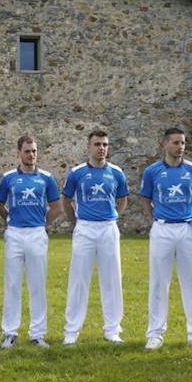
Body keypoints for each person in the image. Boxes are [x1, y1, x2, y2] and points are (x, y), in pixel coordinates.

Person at [138, 127, 192, 352]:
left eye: (183, 143)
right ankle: (155, 334)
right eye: (176, 142)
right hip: (162, 229)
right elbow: (145, 199)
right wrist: (154, 220)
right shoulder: (152, 171)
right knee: (159, 282)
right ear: (165, 144)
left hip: (187, 229)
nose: (180, 147)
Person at [61, 129, 128, 344]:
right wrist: (76, 222)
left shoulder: (116, 172)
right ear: (88, 147)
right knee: (79, 279)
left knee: (111, 279)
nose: (101, 148)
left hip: (108, 228)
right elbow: (66, 200)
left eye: (105, 145)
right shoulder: (77, 173)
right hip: (85, 229)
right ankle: (71, 331)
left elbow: (122, 199)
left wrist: (113, 216)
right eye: (97, 144)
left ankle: (112, 329)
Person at [0, 134, 62, 348]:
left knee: (37, 284)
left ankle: (38, 333)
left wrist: (42, 224)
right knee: (12, 283)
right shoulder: (8, 178)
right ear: (19, 153)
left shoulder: (46, 178)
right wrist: (10, 220)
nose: (31, 155)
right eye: (27, 151)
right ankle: (9, 332)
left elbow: (57, 207)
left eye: (34, 151)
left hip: (36, 234)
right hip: (14, 234)